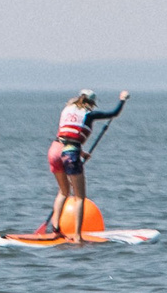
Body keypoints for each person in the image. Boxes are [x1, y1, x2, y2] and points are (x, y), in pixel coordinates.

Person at [45, 89, 129, 240]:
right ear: (91, 103)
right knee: (79, 197)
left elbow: (67, 135)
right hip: (70, 152)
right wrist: (122, 100)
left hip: (54, 150)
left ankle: (55, 230)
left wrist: (81, 153)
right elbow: (114, 113)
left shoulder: (67, 110)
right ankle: (77, 236)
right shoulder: (89, 114)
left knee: (63, 192)